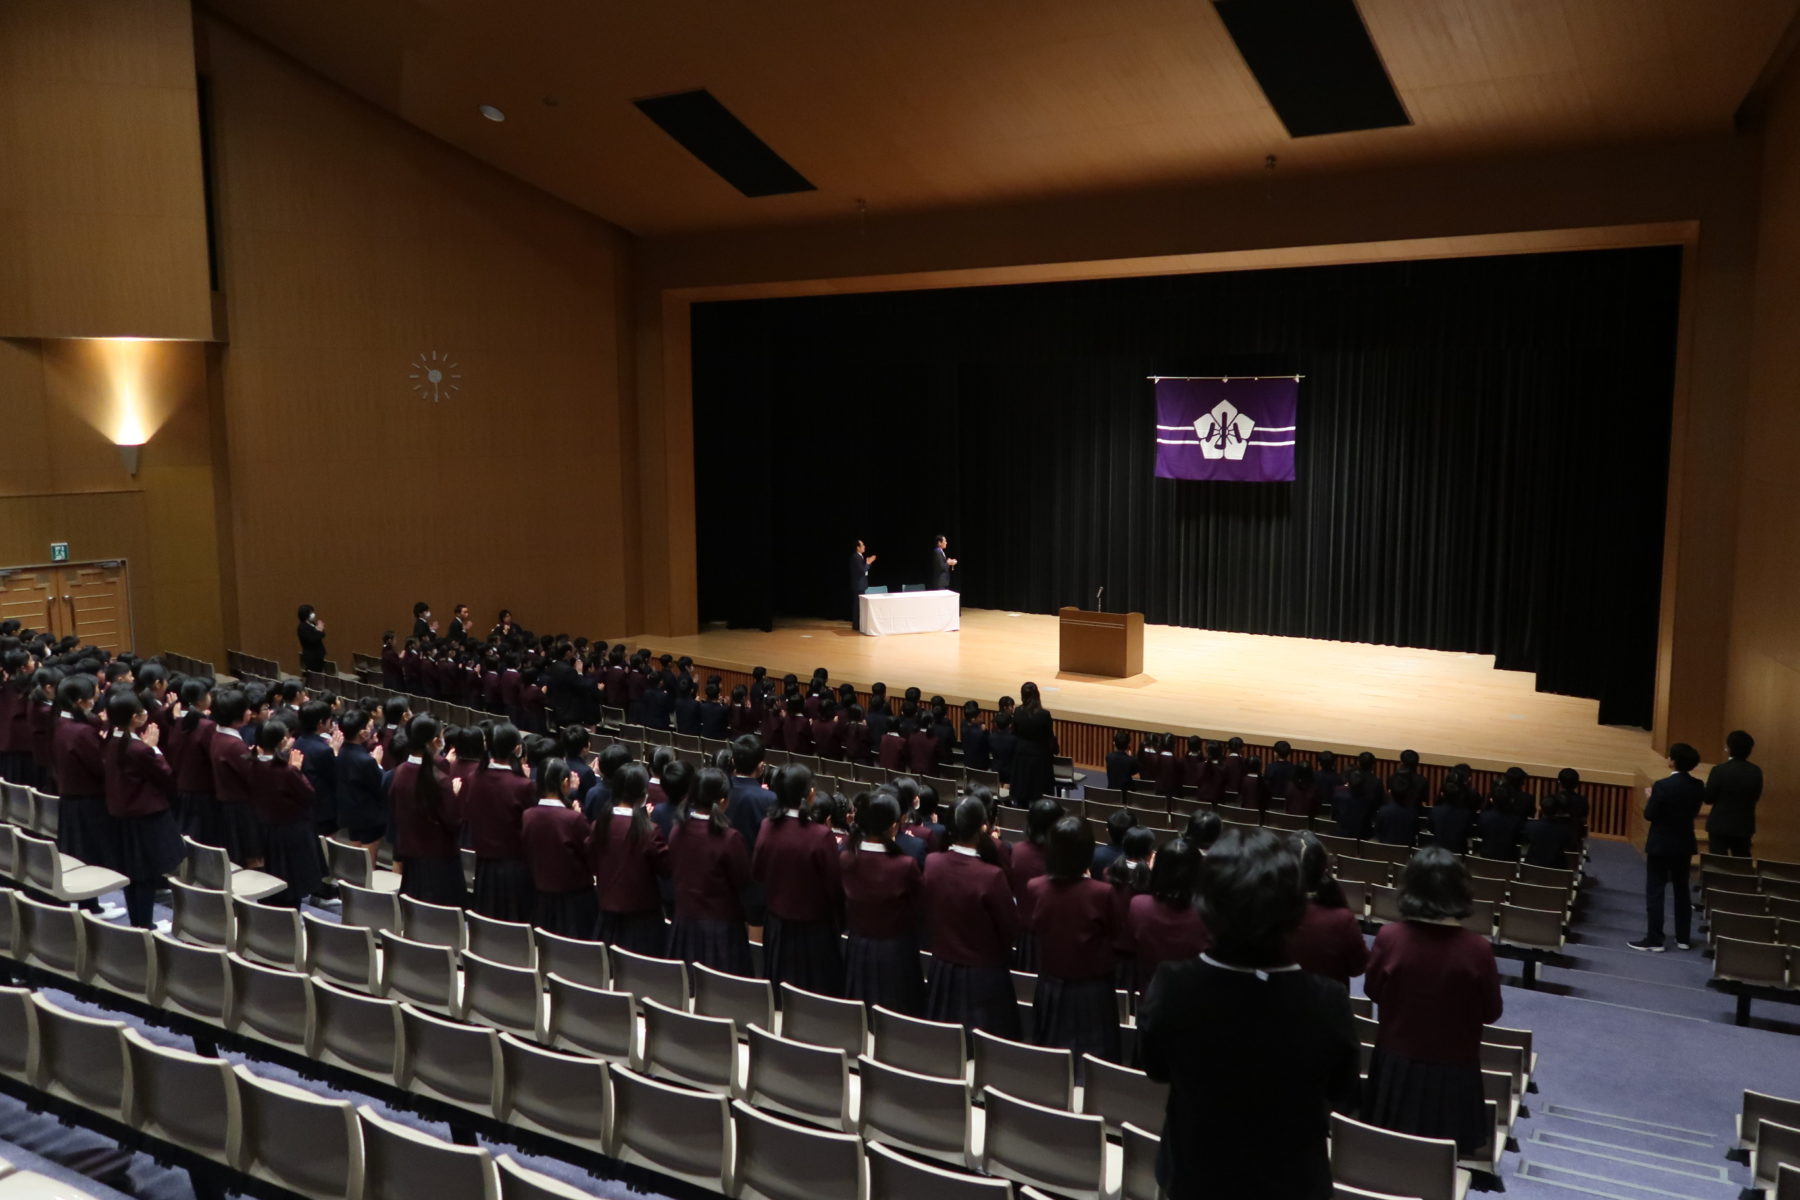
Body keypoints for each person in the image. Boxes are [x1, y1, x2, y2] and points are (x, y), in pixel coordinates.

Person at [1139, 829, 1360, 1199]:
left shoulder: (1173, 985)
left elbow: (1156, 1068)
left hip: (1196, 1175)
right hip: (1291, 1183)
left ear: (1206, 903)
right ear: (1294, 909)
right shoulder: (1328, 1001)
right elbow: (1342, 1091)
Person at [1363, 847, 1502, 1155]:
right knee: (1442, 1162)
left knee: (1388, 1155)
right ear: (1460, 891)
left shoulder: (1389, 937)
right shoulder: (1478, 949)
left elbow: (1372, 991)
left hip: (1395, 1068)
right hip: (1454, 1074)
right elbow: (1492, 1012)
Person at [921, 794, 1021, 1037]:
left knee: (946, 1043)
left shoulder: (932, 862)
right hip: (985, 977)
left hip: (943, 969)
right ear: (983, 827)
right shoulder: (992, 876)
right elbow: (1011, 929)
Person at [1028, 817, 1124, 1061]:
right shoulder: (1103, 893)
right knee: (1096, 1062)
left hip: (1051, 984)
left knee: (1051, 1057)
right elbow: (1118, 937)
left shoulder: (1035, 887)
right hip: (1093, 990)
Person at [753, 765, 845, 995]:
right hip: (813, 931)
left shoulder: (767, 826)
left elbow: (758, 872)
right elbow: (834, 887)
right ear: (810, 794)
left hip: (777, 926)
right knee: (813, 994)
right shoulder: (821, 835)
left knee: (779, 994)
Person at [101, 692, 185, 929]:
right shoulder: (138, 749)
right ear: (134, 718)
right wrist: (154, 750)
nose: (145, 714)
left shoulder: (111, 740)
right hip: (145, 818)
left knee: (132, 874)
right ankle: (146, 925)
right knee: (146, 874)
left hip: (121, 816)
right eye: (141, 712)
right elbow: (167, 776)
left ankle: (138, 922)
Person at [841, 791, 925, 1013]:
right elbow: (921, 907)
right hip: (896, 951)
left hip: (858, 945)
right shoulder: (905, 865)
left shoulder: (847, 857)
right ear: (894, 827)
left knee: (860, 1012)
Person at [667, 766, 755, 975]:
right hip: (722, 929)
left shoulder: (677, 829)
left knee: (686, 986)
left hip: (684, 922)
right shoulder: (730, 838)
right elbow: (743, 881)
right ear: (723, 801)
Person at [1630, 742, 1706, 952]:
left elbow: (1650, 814)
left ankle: (1655, 939)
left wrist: (1652, 797)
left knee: (1656, 890)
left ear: (1672, 761)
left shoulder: (1662, 786)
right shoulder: (1698, 785)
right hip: (1683, 843)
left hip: (1661, 844)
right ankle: (1683, 938)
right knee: (1682, 890)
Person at [592, 762, 671, 955]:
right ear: (643, 793)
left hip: (607, 915)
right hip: (643, 922)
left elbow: (591, 860)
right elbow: (666, 868)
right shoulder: (649, 830)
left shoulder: (599, 824)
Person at [389, 714, 467, 906]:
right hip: (440, 861)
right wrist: (455, 796)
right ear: (435, 741)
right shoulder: (440, 780)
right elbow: (454, 822)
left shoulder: (400, 771)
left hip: (411, 856)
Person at [247, 720, 326, 908]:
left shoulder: (251, 763)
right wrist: (297, 770)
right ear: (282, 741)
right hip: (290, 831)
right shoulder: (287, 770)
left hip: (263, 828)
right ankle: (289, 919)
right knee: (292, 881)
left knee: (270, 877)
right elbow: (308, 795)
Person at [464, 723, 537, 922]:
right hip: (515, 868)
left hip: (484, 866)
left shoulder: (473, 777)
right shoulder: (523, 785)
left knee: (488, 922)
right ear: (517, 749)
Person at [521, 756, 598, 938]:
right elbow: (592, 855)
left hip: (540, 897)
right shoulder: (574, 819)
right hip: (575, 903)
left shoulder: (527, 815)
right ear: (565, 783)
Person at [1124, 836, 1210, 993]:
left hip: (1151, 994)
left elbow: (1128, 949)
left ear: (1157, 870)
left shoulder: (1138, 905)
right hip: (1196, 994)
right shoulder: (1209, 913)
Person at [1285, 832, 1369, 988]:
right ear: (1323, 867)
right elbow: (1358, 967)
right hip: (1329, 1000)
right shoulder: (1342, 920)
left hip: (1281, 999)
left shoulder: (1271, 910)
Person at [1704, 730, 1763, 857]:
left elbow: (1708, 798)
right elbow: (1755, 796)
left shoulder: (1719, 770)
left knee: (1718, 863)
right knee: (1741, 863)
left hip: (1719, 824)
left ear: (1729, 748)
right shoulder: (1756, 771)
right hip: (1744, 825)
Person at [334, 707, 386, 846]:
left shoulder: (340, 751)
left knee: (356, 853)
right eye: (369, 726)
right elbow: (379, 785)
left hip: (350, 813)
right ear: (362, 733)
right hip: (369, 818)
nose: (372, 728)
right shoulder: (366, 761)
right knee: (368, 857)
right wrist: (377, 764)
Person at [1009, 681, 1057, 807]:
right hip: (1039, 758)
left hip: (1022, 757)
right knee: (1039, 794)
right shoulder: (1044, 714)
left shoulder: (1018, 711)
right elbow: (1049, 737)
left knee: (1022, 794)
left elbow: (1014, 733)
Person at [849, 540, 877, 630]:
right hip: (858, 585)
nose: (864, 546)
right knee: (858, 606)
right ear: (858, 547)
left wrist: (867, 563)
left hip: (860, 584)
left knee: (859, 605)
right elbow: (861, 571)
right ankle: (856, 625)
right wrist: (868, 563)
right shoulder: (856, 557)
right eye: (862, 545)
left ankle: (858, 625)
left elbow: (863, 569)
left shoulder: (860, 556)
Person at [297, 604, 328, 673]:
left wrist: (320, 629)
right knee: (314, 676)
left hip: (319, 656)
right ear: (306, 614)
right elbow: (312, 639)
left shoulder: (312, 624)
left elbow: (322, 634)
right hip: (312, 657)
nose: (313, 614)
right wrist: (319, 630)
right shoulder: (302, 627)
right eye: (311, 613)